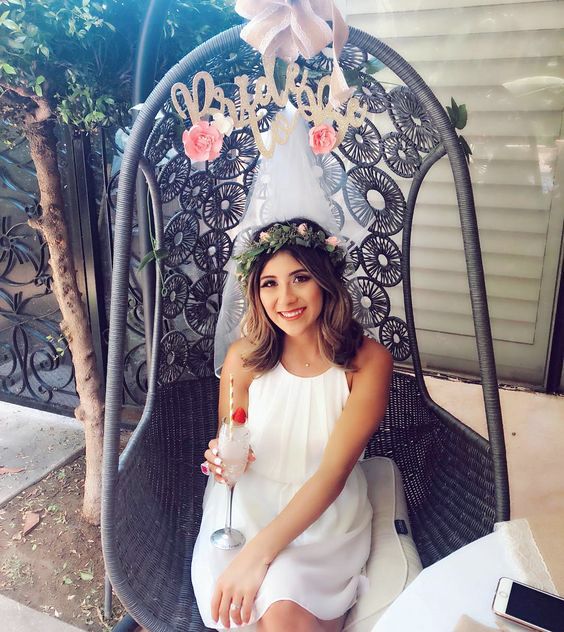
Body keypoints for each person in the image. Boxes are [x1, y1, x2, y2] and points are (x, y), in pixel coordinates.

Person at [191, 217, 392, 631]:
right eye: (269, 283)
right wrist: (224, 460)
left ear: (325, 281)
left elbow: (333, 475)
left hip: (325, 513)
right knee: (253, 616)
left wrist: (258, 555)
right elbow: (233, 437)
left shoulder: (367, 362)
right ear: (255, 291)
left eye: (300, 278)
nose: (285, 297)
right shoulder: (242, 359)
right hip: (246, 510)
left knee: (283, 613)